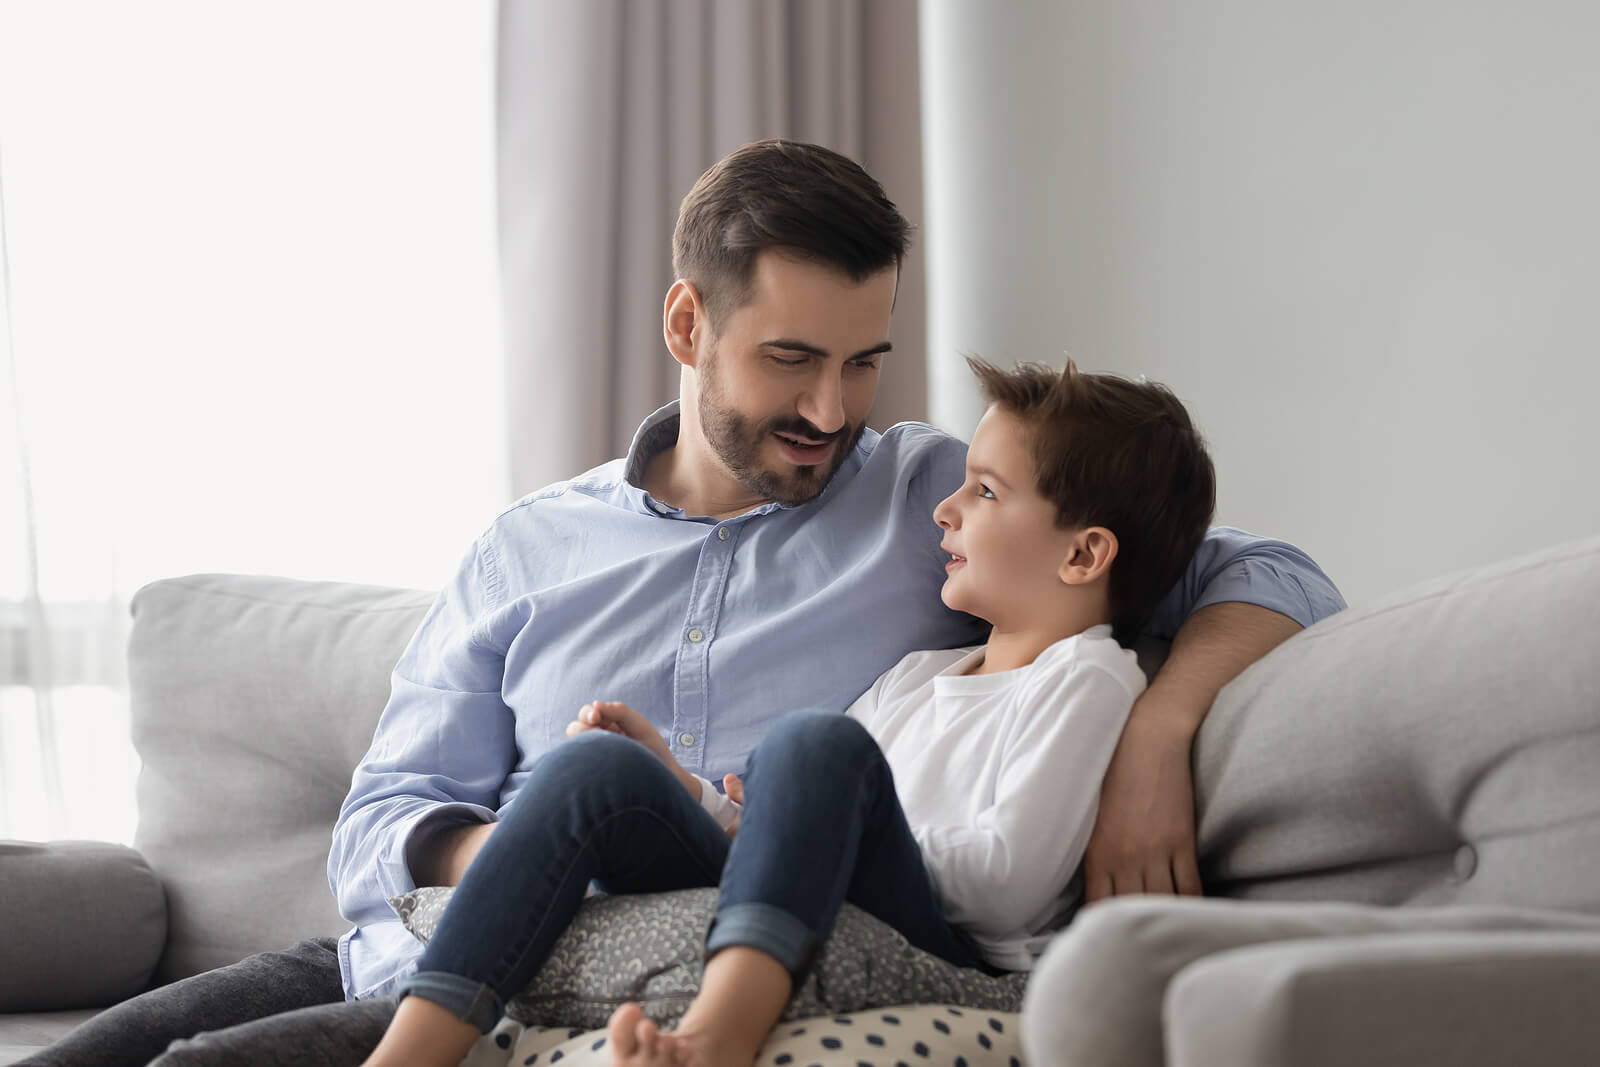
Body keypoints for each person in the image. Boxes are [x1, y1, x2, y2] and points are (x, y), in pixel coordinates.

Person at [20, 140, 1343, 1067]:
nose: (832, 411)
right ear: (687, 324)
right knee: (141, 1042)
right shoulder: (526, 548)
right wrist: (546, 844)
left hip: (719, 939)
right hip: (487, 934)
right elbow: (380, 818)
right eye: (790, 359)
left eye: (863, 362)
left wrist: (1161, 735)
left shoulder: (934, 495)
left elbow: (1263, 569)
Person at [357, 356, 1219, 1067]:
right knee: (595, 770)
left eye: (986, 493)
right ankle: (412, 1049)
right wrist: (683, 788)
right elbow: (780, 825)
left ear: (1084, 553)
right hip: (833, 896)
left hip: (951, 952)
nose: (946, 510)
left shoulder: (1090, 679)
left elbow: (1004, 889)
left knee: (814, 743)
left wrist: (837, 832)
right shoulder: (922, 672)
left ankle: (718, 1034)